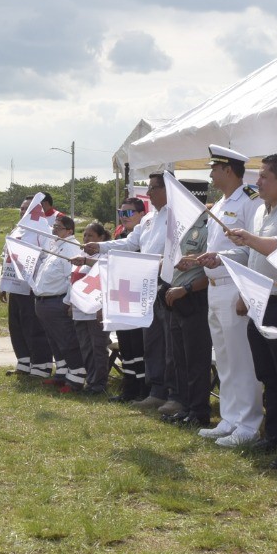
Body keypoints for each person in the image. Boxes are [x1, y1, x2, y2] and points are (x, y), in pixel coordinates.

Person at [210, 153, 277, 457]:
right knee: (269, 375)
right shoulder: (261, 212)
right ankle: (274, 436)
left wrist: (250, 241)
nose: (258, 182)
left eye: (265, 176)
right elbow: (251, 257)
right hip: (258, 301)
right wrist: (221, 257)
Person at [189, 146, 263, 443]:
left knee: (241, 358)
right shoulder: (219, 205)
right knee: (223, 357)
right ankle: (230, 418)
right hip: (215, 286)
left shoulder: (250, 202)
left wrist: (221, 257)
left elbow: (249, 249)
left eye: (214, 168)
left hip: (235, 285)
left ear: (228, 170)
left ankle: (248, 423)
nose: (210, 174)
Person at [86, 174, 171, 410]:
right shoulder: (150, 220)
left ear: (168, 189)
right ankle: (153, 390)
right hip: (146, 287)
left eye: (153, 188)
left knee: (165, 344)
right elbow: (130, 244)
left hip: (166, 284)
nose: (149, 193)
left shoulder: (176, 217)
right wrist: (100, 246)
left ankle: (167, 392)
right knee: (151, 342)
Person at [161, 208, 213, 427]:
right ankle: (186, 407)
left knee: (196, 361)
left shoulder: (208, 228)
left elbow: (212, 273)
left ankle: (199, 412)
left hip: (195, 297)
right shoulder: (180, 228)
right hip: (176, 298)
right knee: (180, 359)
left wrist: (187, 289)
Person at [0, 195, 54, 380]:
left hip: (32, 287)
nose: (23, 212)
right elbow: (6, 258)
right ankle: (24, 362)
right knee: (17, 325)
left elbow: (48, 259)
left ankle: (41, 365)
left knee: (34, 326)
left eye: (27, 209)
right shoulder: (17, 231)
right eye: (21, 209)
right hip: (14, 285)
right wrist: (2, 285)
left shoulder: (44, 232)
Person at [30, 213, 84, 392]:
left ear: (69, 230)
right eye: (54, 227)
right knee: (54, 341)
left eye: (58, 227)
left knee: (66, 341)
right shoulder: (56, 246)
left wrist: (68, 302)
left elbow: (73, 278)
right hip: (44, 302)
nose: (54, 230)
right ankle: (62, 373)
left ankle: (76, 378)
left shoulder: (70, 248)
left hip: (57, 301)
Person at [106, 198, 151, 401]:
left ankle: (143, 390)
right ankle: (129, 389)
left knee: (139, 347)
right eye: (121, 213)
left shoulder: (146, 236)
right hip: (122, 298)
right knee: (126, 347)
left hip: (140, 299)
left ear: (142, 214)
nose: (124, 217)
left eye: (129, 213)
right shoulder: (121, 235)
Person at [68, 222, 112, 396]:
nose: (86, 239)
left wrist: (103, 307)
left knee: (98, 347)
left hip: (96, 311)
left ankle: (100, 383)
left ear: (101, 239)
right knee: (86, 347)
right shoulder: (80, 256)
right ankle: (91, 380)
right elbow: (72, 283)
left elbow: (107, 271)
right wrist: (70, 302)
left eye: (91, 236)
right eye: (84, 235)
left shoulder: (106, 255)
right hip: (79, 309)